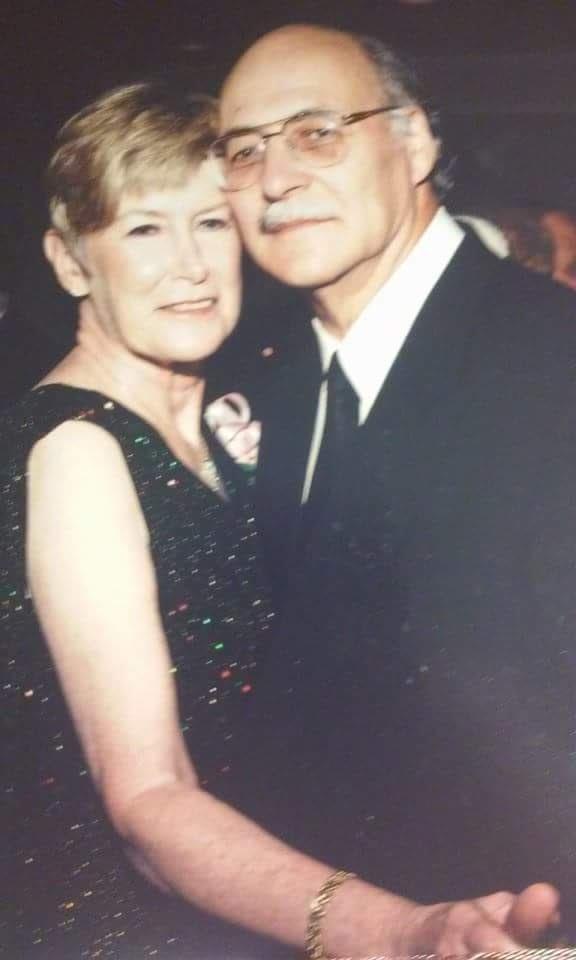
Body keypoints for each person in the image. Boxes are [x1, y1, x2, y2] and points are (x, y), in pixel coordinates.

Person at [0, 78, 554, 960]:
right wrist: (398, 928)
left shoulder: (237, 409)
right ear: (71, 263)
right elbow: (147, 801)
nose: (188, 264)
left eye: (212, 223)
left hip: (259, 897)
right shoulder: (77, 450)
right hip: (128, 930)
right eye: (144, 228)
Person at [212, 22, 576, 938]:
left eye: (316, 133)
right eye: (242, 150)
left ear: (413, 141)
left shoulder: (552, 360)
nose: (275, 177)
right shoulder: (269, 386)